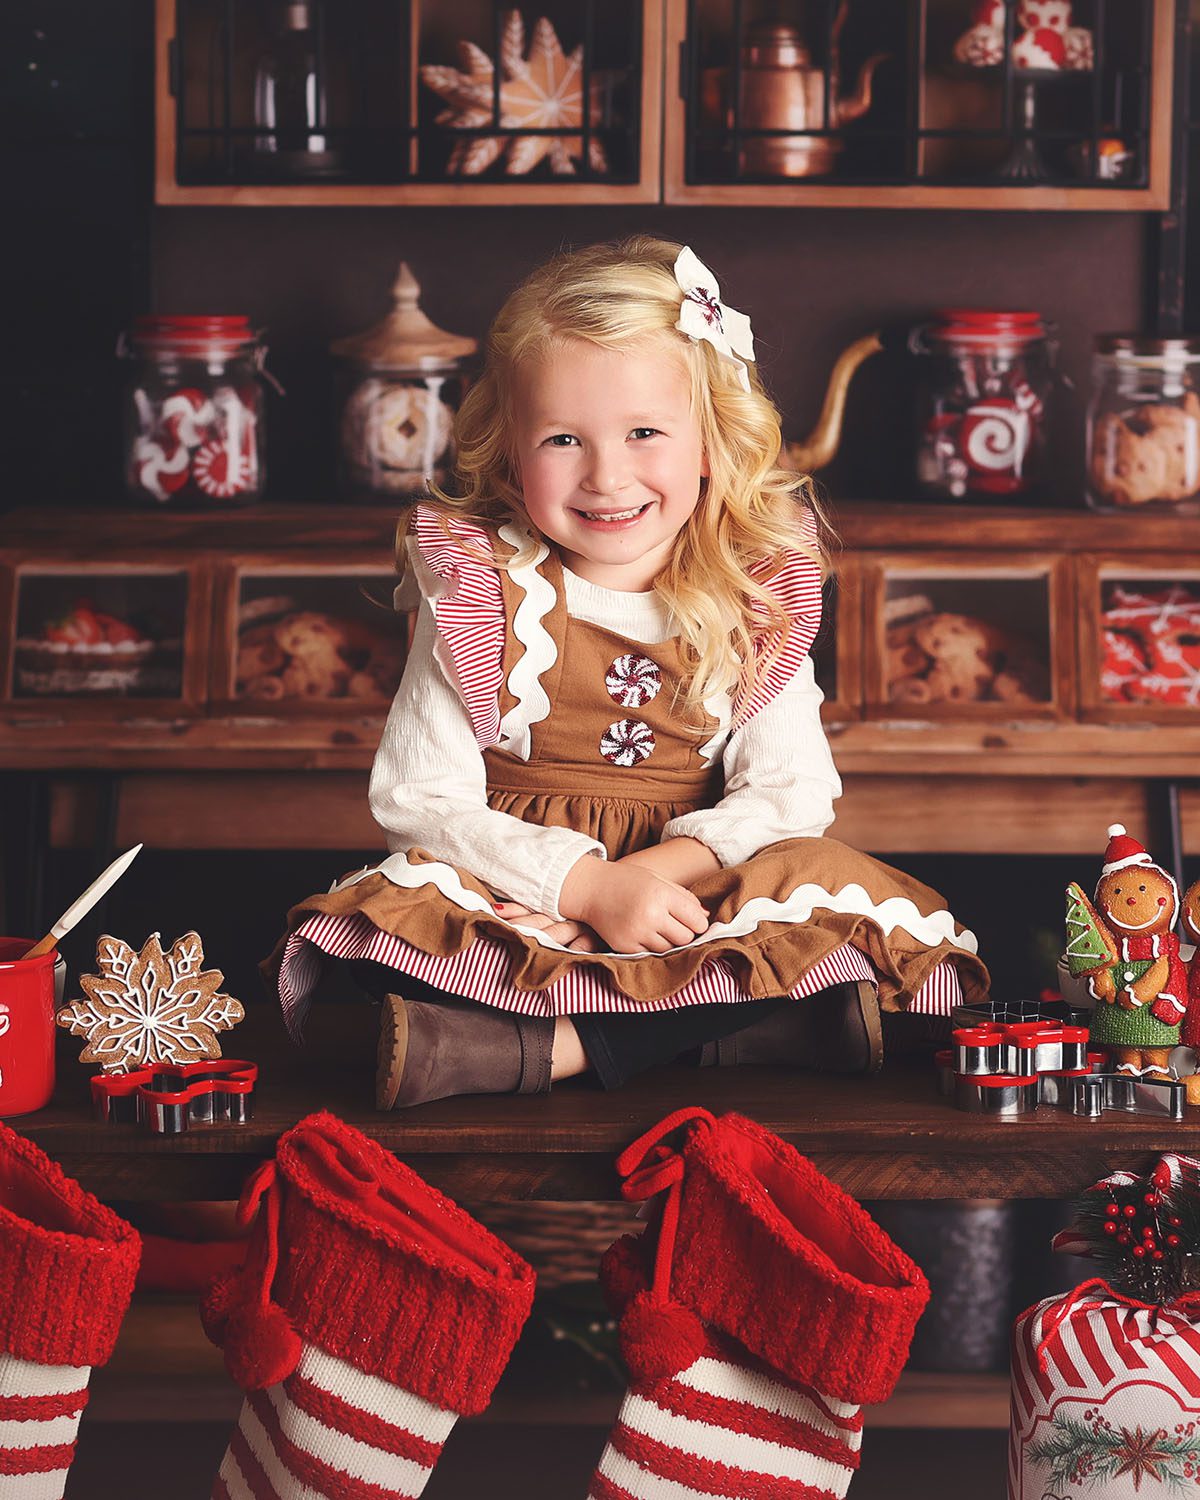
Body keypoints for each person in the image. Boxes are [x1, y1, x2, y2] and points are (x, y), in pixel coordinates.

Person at [272, 236, 988, 1106]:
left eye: (645, 432)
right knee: (392, 928)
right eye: (563, 439)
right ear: (508, 450)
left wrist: (645, 880)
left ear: (710, 439)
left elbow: (791, 792)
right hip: (522, 884)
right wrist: (579, 886)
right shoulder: (480, 593)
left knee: (821, 897)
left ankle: (547, 1052)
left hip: (691, 890)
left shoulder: (753, 590)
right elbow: (417, 799)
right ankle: (749, 1033)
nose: (607, 476)